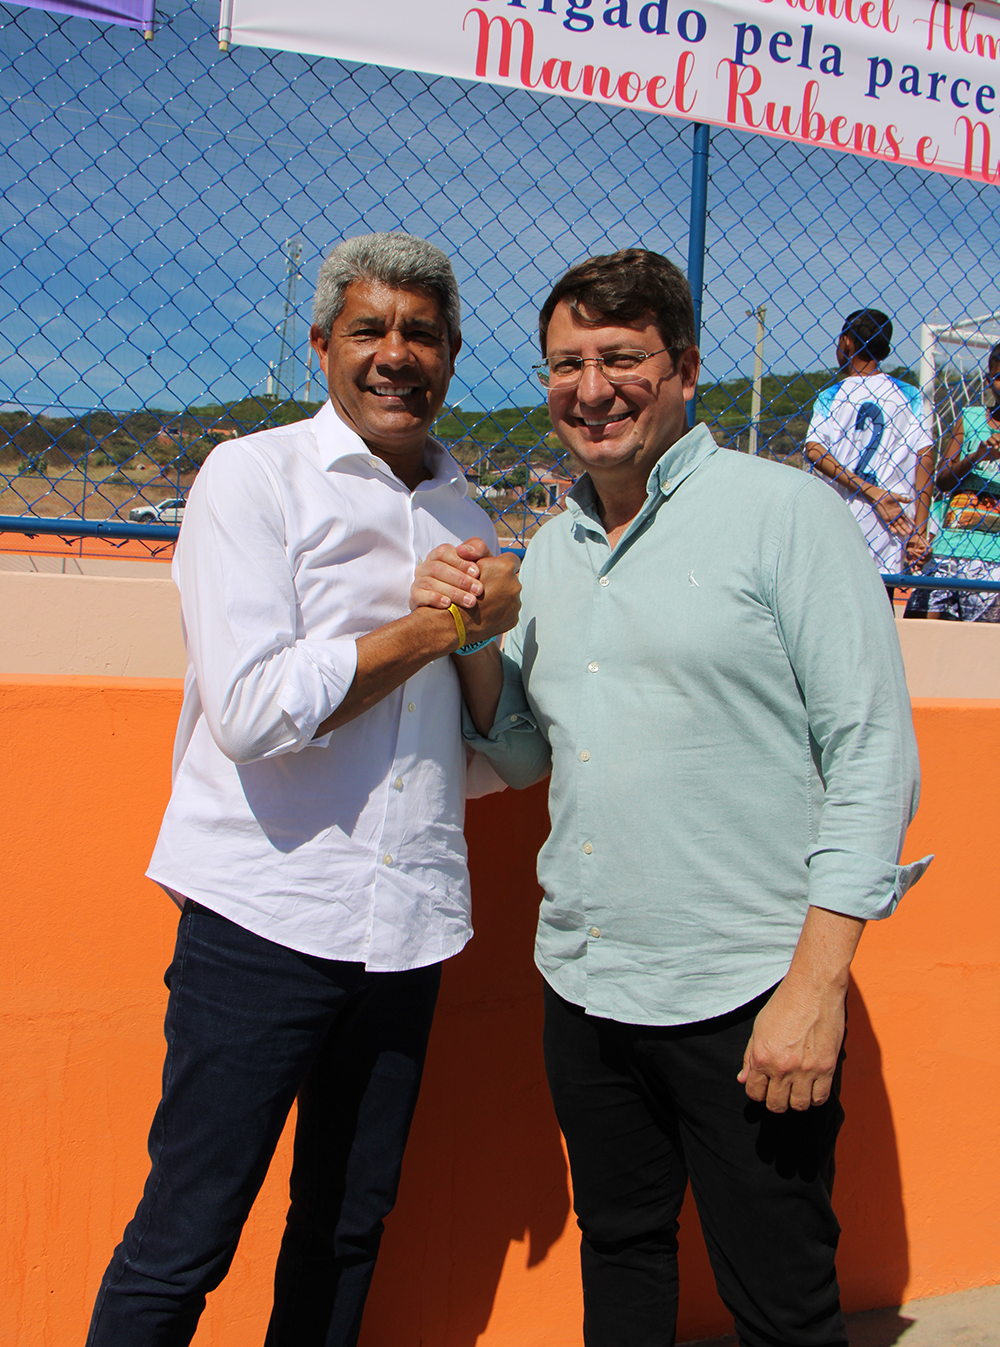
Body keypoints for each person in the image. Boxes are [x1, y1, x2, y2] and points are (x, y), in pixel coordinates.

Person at [411, 250, 930, 1347]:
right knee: (622, 1256)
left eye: (621, 357)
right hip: (588, 982)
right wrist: (471, 640)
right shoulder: (550, 556)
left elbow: (873, 756)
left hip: (749, 989)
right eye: (566, 364)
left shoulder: (786, 515)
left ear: (685, 368)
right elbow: (523, 757)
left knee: (781, 1302)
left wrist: (815, 989)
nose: (591, 388)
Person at [85, 232, 521, 1347]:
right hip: (263, 919)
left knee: (346, 1230)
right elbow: (247, 711)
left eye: (421, 334)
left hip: (408, 925)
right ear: (323, 344)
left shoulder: (468, 516)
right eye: (369, 330)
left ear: (452, 354)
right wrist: (431, 628)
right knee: (185, 1238)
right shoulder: (253, 475)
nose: (395, 355)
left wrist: (481, 637)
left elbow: (482, 759)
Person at [804, 309, 934, 595]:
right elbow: (925, 456)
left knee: (836, 600)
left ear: (846, 341)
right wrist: (920, 530)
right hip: (894, 522)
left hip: (841, 518)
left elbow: (814, 450)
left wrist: (870, 492)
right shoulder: (909, 395)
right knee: (881, 604)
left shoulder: (832, 395)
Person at [926, 343, 1000, 621]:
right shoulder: (970, 417)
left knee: (982, 640)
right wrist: (976, 456)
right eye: (999, 377)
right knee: (926, 632)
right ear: (989, 379)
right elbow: (942, 481)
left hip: (994, 556)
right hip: (950, 546)